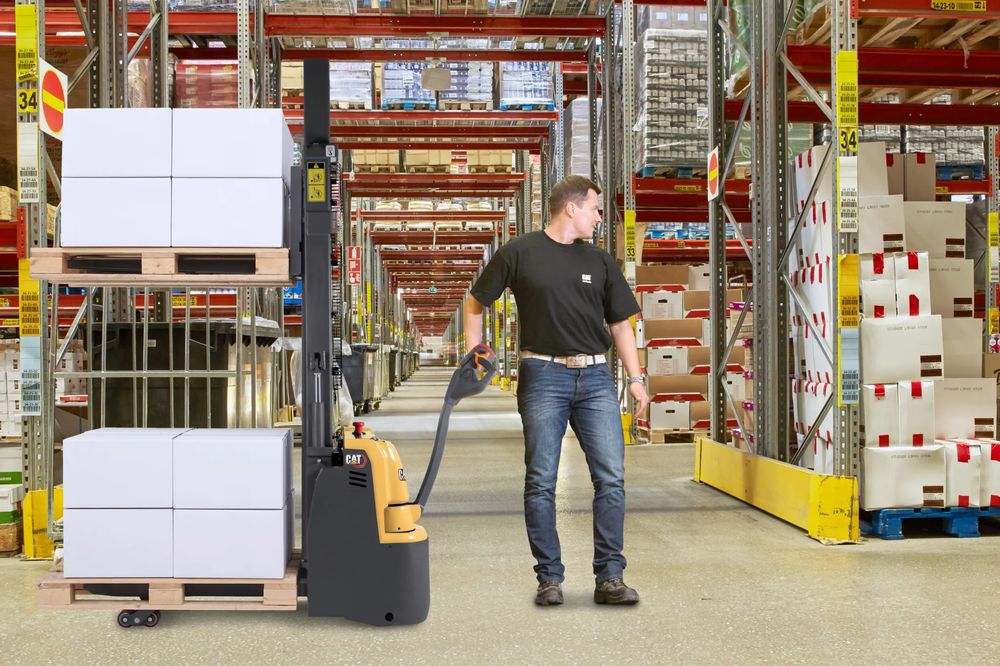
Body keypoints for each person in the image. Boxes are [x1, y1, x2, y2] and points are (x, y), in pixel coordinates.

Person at [464, 175, 650, 607]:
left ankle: (610, 578)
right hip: (542, 376)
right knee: (541, 480)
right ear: (571, 207)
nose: (599, 218)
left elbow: (621, 324)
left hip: (596, 379)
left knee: (611, 479)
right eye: (596, 209)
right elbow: (476, 302)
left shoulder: (600, 261)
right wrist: (475, 352)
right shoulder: (518, 252)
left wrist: (636, 378)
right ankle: (549, 578)